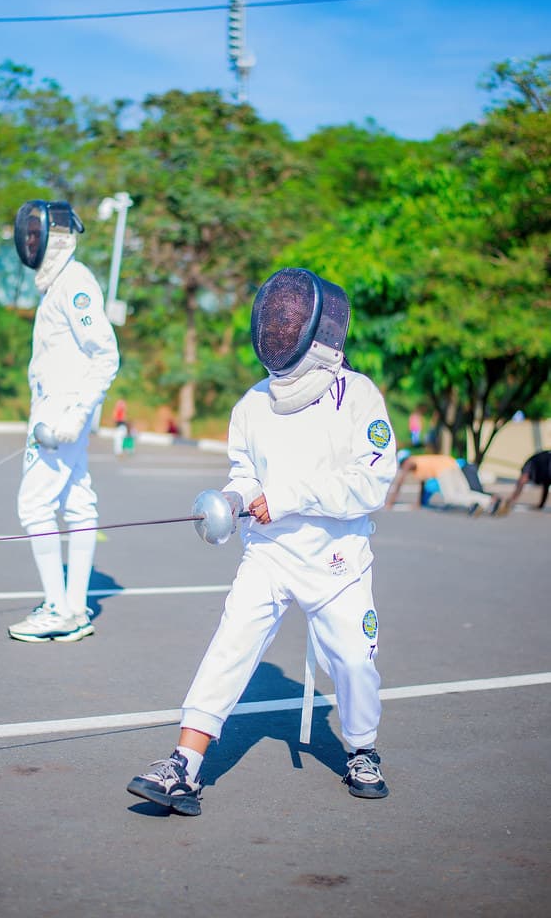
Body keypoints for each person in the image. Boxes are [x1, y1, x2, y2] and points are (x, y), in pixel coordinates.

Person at [127, 267, 397, 816]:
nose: (280, 325)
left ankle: (363, 749)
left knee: (353, 662)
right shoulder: (253, 404)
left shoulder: (358, 397)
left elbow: (372, 482)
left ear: (319, 331)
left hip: (336, 559)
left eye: (291, 319)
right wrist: (230, 501)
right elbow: (246, 473)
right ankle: (184, 764)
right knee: (229, 646)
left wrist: (288, 494)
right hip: (270, 552)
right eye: (277, 317)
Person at [7, 200, 120, 643]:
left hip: (60, 416)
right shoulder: (56, 286)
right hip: (57, 409)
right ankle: (73, 607)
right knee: (77, 505)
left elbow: (106, 354)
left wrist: (75, 415)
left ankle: (58, 609)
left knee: (34, 506)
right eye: (28, 235)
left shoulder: (75, 282)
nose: (29, 241)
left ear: (57, 238)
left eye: (36, 235)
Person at [385, 451, 497, 513]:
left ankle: (476, 504)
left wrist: (391, 502)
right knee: (464, 492)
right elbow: (422, 485)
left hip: (444, 470)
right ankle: (489, 500)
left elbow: (400, 481)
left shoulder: (410, 462)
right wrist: (420, 503)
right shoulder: (419, 464)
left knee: (451, 497)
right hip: (452, 464)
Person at [496, 450, 551, 514]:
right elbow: (546, 486)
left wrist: (511, 500)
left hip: (541, 464)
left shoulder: (530, 465)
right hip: (543, 465)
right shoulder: (538, 468)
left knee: (522, 480)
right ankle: (511, 501)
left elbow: (522, 482)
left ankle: (511, 501)